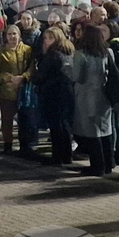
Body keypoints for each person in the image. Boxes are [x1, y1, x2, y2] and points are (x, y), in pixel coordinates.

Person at [72, 24, 116, 176]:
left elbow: (77, 77)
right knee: (106, 130)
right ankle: (109, 163)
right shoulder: (108, 52)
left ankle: (97, 166)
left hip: (86, 96)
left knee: (92, 132)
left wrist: (67, 67)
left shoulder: (81, 54)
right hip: (105, 95)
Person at [35, 27, 76, 166]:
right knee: (65, 125)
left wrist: (35, 78)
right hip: (67, 92)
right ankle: (67, 155)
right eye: (45, 38)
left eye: (50, 38)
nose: (46, 41)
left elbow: (41, 75)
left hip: (54, 93)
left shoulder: (52, 55)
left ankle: (57, 156)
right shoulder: (67, 53)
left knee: (56, 126)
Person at [0, 25, 33, 156]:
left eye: (14, 34)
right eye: (10, 34)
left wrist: (24, 77)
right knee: (7, 120)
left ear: (19, 35)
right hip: (6, 90)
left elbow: (32, 66)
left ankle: (25, 144)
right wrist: (10, 78)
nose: (12, 37)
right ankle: (8, 144)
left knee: (25, 119)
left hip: (24, 90)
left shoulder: (27, 50)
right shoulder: (0, 51)